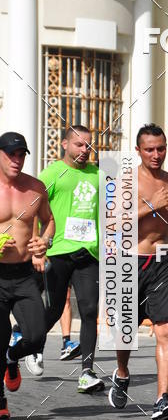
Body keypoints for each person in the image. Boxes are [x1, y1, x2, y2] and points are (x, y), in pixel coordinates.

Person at [108, 124, 168, 420]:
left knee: (166, 329)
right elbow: (113, 224)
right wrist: (151, 206)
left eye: (161, 148)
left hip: (163, 261)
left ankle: (162, 397)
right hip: (129, 261)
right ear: (138, 151)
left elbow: (166, 216)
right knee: (124, 332)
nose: (157, 155)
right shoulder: (125, 180)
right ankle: (122, 372)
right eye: (150, 149)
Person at [33, 125, 104, 393]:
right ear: (65, 144)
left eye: (88, 145)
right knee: (52, 310)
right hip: (57, 252)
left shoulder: (98, 174)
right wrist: (37, 247)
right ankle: (32, 346)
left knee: (88, 310)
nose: (85, 150)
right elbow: (34, 211)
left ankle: (86, 372)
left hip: (89, 253)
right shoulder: (51, 174)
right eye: (79, 145)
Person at [0, 132, 54, 418]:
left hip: (23, 275)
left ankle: (12, 358)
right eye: (11, 154)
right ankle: (0, 401)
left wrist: (45, 243)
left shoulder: (35, 188)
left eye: (21, 154)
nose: (17, 160)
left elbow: (49, 222)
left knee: (36, 335)